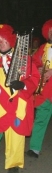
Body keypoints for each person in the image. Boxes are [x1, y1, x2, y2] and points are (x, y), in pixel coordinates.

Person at [0, 24, 40, 173]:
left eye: (4, 39)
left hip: (17, 104)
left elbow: (34, 78)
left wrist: (23, 85)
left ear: (11, 40)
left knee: (16, 136)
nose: (1, 42)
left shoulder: (23, 59)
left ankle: (14, 166)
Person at [26, 19, 52, 158]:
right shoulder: (43, 48)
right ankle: (34, 148)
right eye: (50, 31)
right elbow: (33, 62)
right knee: (41, 118)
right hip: (46, 90)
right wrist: (38, 67)